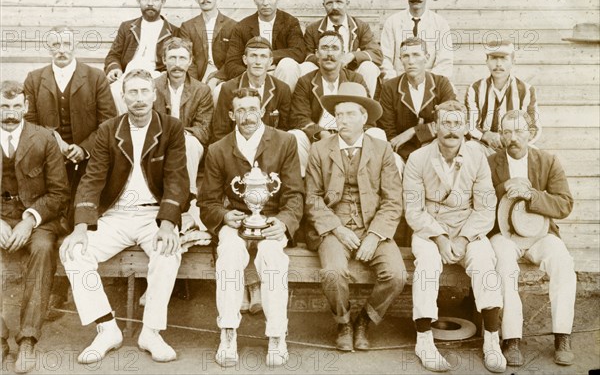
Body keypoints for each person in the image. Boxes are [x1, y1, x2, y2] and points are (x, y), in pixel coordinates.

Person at [60, 69, 189, 365]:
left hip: (152, 215)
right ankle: (106, 329)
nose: (139, 98)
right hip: (115, 215)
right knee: (73, 251)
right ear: (123, 96)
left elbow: (177, 178)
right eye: (133, 92)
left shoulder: (171, 127)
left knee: (168, 252)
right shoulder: (109, 129)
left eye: (145, 91)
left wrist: (168, 223)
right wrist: (81, 228)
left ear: (155, 94)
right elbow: (92, 179)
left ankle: (152, 332)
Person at [199, 88, 304, 367]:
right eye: (241, 111)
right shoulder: (218, 149)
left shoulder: (285, 141)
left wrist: (283, 222)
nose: (248, 116)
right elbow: (207, 201)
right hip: (236, 219)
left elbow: (295, 194)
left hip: (271, 219)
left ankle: (277, 334)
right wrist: (223, 216)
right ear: (232, 114)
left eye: (253, 109)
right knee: (230, 255)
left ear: (262, 111)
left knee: (272, 258)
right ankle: (229, 331)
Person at [403, 100, 506, 373]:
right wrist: (439, 238)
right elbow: (413, 210)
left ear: (466, 127)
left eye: (457, 123)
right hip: (430, 228)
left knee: (484, 260)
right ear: (435, 126)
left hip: (466, 227)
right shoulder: (418, 158)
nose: (451, 130)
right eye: (446, 123)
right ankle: (424, 341)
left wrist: (463, 239)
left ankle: (492, 341)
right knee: (426, 265)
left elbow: (486, 207)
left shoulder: (477, 156)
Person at [23, 26, 117, 318]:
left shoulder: (95, 76)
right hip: (49, 163)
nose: (61, 49)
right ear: (47, 47)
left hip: (89, 162)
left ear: (74, 45)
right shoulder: (35, 79)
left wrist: (84, 149)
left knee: (83, 217)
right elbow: (30, 123)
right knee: (51, 223)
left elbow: (109, 121)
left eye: (66, 43)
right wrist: (55, 144)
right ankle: (56, 289)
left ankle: (83, 285)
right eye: (54, 44)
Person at [304, 82, 406, 352]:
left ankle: (365, 320)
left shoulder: (382, 150)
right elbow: (312, 198)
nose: (343, 120)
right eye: (339, 114)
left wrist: (374, 235)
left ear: (364, 118)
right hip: (334, 228)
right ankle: (344, 323)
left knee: (396, 275)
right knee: (333, 273)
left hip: (372, 226)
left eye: (350, 114)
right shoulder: (320, 149)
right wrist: (337, 229)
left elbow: (393, 200)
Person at [488, 110, 575, 367]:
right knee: (503, 264)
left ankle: (562, 335)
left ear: (531, 133)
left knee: (563, 261)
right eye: (506, 132)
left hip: (540, 234)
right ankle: (511, 338)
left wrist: (532, 196)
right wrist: (504, 188)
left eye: (518, 131)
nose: (512, 137)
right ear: (501, 135)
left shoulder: (547, 161)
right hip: (504, 234)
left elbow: (564, 204)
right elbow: (479, 201)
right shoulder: (491, 162)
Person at [0, 81, 70, 373]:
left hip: (38, 218)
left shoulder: (43, 138)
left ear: (26, 108)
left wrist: (29, 220)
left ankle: (27, 339)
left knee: (42, 249)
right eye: (4, 106)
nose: (11, 113)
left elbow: (59, 192)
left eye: (17, 106)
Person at [289, 31, 387, 176]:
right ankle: (303, 183)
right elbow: (299, 117)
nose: (329, 54)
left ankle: (371, 183)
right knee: (295, 136)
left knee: (377, 133)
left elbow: (367, 116)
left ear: (343, 54)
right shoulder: (306, 81)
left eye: (335, 48)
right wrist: (321, 133)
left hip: (351, 137)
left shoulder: (355, 79)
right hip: (318, 139)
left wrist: (349, 136)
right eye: (325, 48)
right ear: (316, 53)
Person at [378, 37, 456, 171]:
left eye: (416, 55)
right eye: (406, 56)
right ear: (400, 59)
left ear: (426, 57)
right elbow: (389, 131)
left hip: (436, 148)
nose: (411, 61)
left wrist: (415, 131)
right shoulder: (390, 88)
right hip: (402, 152)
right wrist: (410, 157)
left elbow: (451, 121)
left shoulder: (441, 84)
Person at [223, 0, 309, 92]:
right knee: (219, 90)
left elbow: (299, 52)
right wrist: (253, 73)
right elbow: (231, 62)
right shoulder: (242, 26)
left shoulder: (290, 22)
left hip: (280, 73)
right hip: (252, 76)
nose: (265, 3)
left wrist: (268, 58)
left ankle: (284, 107)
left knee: (288, 65)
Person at [153, 37, 213, 197]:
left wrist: (180, 135)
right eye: (172, 58)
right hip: (158, 139)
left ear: (190, 61)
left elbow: (204, 130)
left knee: (189, 143)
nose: (177, 64)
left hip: (188, 141)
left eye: (182, 58)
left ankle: (189, 194)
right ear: (164, 60)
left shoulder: (202, 90)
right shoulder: (153, 86)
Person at [304, 0, 382, 97]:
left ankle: (363, 108)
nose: (334, 7)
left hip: (352, 73)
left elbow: (377, 54)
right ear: (323, 5)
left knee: (369, 67)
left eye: (339, 2)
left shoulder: (361, 26)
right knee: (306, 67)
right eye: (329, 3)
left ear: (347, 3)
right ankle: (315, 106)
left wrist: (352, 56)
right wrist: (329, 61)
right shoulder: (313, 29)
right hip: (324, 72)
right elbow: (306, 55)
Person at [465, 40, 541, 155]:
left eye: (504, 58)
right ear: (487, 61)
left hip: (515, 144)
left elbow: (534, 128)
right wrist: (485, 135)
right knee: (469, 147)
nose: (498, 64)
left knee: (534, 152)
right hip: (486, 145)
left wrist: (513, 139)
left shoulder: (526, 90)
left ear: (513, 62)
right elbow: (470, 125)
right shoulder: (475, 89)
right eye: (494, 58)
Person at [212, 37, 291, 141]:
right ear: (245, 59)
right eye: (253, 56)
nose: (258, 62)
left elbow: (284, 129)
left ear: (270, 61)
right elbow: (220, 132)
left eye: (263, 56)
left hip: (270, 149)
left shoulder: (282, 89)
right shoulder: (229, 88)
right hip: (238, 148)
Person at [380, 0, 453, 79]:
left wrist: (428, 84)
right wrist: (394, 83)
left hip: (431, 84)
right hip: (398, 83)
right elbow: (385, 59)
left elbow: (444, 63)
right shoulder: (392, 22)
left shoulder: (440, 24)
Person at [104, 0, 178, 83]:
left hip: (157, 79)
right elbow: (113, 55)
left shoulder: (173, 32)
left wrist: (165, 75)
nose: (150, 3)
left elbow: (176, 61)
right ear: (138, 1)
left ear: (163, 2)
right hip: (127, 77)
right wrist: (115, 69)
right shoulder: (127, 27)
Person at [179, 0, 237, 92]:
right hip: (198, 74)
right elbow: (187, 59)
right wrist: (194, 84)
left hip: (224, 74)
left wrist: (217, 78)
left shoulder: (232, 25)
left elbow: (233, 58)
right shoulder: (187, 26)